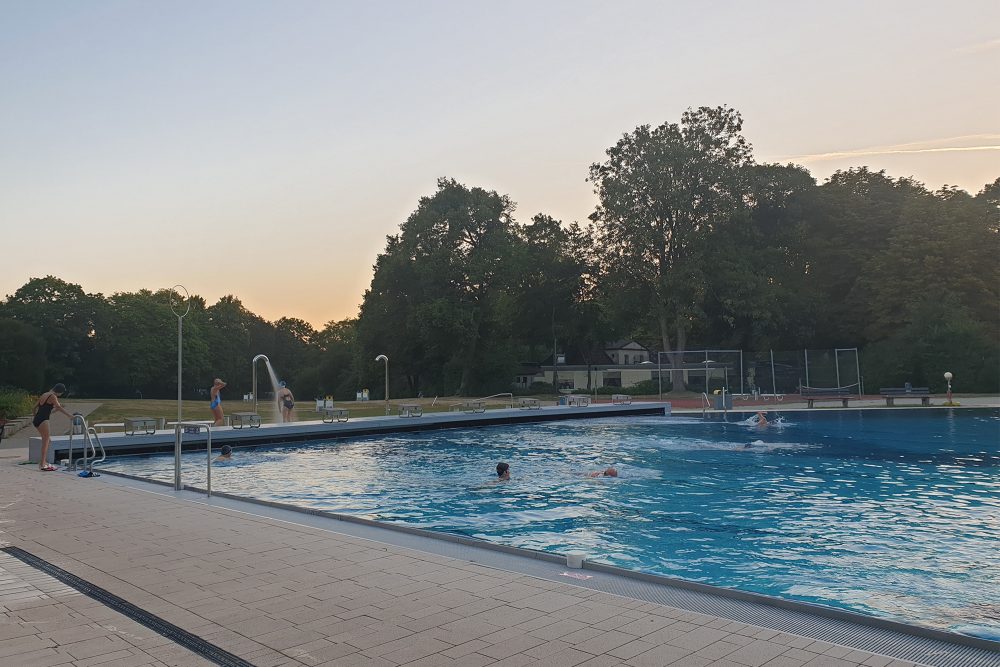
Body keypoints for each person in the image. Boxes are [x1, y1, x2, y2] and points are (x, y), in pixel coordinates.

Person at [33, 383, 74, 471]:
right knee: (46, 440)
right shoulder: (53, 396)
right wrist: (69, 415)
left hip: (37, 420)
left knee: (48, 440)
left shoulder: (45, 394)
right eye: (61, 393)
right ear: (59, 392)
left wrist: (36, 417)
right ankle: (42, 464)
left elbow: (35, 408)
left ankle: (43, 462)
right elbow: (58, 407)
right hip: (43, 420)